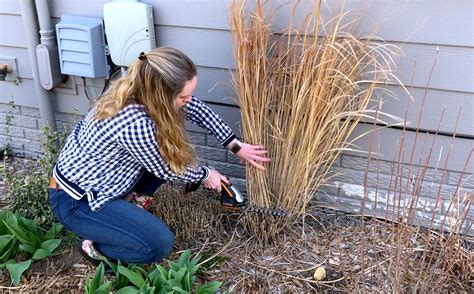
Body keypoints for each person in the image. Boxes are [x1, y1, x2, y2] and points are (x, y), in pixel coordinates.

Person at [49, 47, 270, 264]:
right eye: (185, 96)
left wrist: (236, 146)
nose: (189, 100)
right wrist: (206, 176)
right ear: (162, 95)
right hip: (77, 201)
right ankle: (94, 247)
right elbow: (166, 168)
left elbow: (199, 110)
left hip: (105, 179)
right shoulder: (134, 122)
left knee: (169, 152)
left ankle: (128, 211)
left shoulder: (140, 87)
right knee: (157, 243)